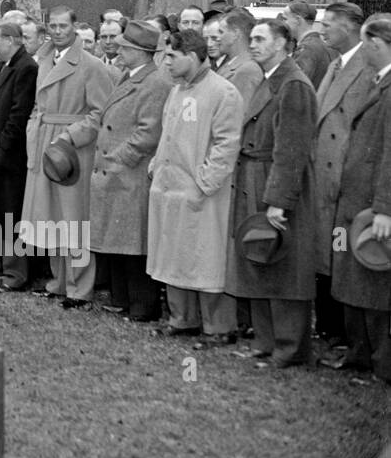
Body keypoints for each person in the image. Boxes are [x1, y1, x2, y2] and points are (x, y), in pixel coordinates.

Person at [226, 20, 318, 369]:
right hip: (255, 177)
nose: (254, 44)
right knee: (258, 257)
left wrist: (279, 201)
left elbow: (292, 149)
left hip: (276, 183)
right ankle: (266, 342)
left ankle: (289, 348)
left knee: (284, 266)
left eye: (261, 39)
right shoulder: (270, 79)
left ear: (283, 44)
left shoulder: (293, 84)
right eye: (251, 38)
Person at [147, 29, 244, 343]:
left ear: (192, 55)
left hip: (202, 193)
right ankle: (182, 319)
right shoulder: (177, 91)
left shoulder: (223, 92)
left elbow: (226, 145)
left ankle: (219, 327)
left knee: (206, 258)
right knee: (174, 255)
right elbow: (167, 133)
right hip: (169, 187)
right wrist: (157, 167)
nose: (167, 63)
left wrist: (204, 183)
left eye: (172, 57)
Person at [21, 6, 113, 306]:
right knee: (51, 216)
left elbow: (100, 114)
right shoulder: (44, 60)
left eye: (64, 26)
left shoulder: (91, 65)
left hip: (73, 150)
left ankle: (80, 288)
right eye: (54, 26)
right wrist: (35, 129)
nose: (58, 31)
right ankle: (59, 281)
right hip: (45, 141)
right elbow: (39, 103)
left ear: (75, 27)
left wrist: (70, 136)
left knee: (74, 218)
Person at [324, 15, 391, 382]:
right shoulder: (378, 82)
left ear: (377, 44)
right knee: (350, 277)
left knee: (374, 283)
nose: (361, 50)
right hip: (351, 204)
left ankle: (380, 362)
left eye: (365, 43)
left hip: (370, 210)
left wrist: (384, 209)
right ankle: (359, 354)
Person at [88, 20, 168, 323]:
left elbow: (149, 131)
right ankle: (123, 300)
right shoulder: (129, 76)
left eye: (124, 47)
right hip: (117, 172)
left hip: (129, 174)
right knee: (119, 240)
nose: (118, 50)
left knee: (135, 245)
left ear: (139, 52)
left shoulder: (156, 83)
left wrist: (120, 157)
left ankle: (143, 305)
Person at [311, 1, 372, 348]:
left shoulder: (365, 67)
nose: (323, 29)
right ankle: (330, 328)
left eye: (329, 24)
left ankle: (343, 333)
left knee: (340, 251)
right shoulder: (335, 64)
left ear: (349, 27)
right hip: (324, 181)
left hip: (343, 186)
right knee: (328, 252)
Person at [0, 22, 38, 290]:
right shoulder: (6, 64)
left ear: (12, 41)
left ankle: (14, 273)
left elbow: (18, 113)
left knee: (11, 212)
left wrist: (2, 146)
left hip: (10, 153)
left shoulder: (25, 67)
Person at [281, 0, 336, 87]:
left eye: (285, 19)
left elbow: (295, 87)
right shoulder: (327, 46)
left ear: (297, 20)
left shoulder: (306, 49)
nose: (282, 23)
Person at [218, 9, 264, 104]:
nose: (218, 38)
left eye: (221, 32)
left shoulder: (248, 70)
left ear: (235, 33)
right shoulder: (232, 64)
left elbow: (241, 113)